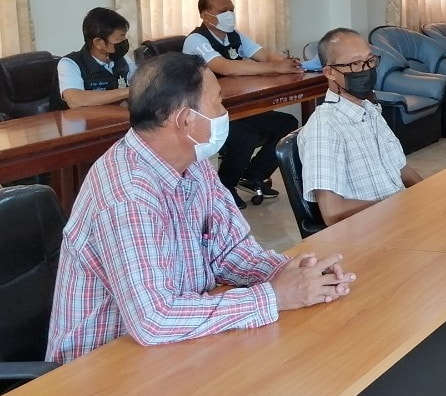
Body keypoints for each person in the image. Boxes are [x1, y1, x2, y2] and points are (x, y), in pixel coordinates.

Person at [45, 52, 355, 364]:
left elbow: (231, 251)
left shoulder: (193, 163)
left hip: (171, 349)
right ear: (185, 120)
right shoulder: (127, 194)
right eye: (218, 103)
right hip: (102, 367)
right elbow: (154, 319)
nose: (225, 112)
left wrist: (292, 273)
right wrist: (273, 296)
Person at [183, 0, 299, 208]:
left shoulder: (234, 35)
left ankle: (254, 174)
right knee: (245, 136)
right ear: (206, 16)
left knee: (288, 124)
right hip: (209, 111)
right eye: (223, 11)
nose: (229, 15)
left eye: (231, 10)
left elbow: (263, 55)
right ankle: (225, 187)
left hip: (239, 104)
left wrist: (287, 63)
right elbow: (226, 68)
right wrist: (275, 68)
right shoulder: (196, 40)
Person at [298, 28, 422, 225]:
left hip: (403, 218)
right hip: (373, 228)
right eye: (355, 64)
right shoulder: (325, 128)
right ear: (330, 72)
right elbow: (332, 213)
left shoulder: (370, 110)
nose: (366, 70)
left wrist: (429, 196)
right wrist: (398, 207)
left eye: (370, 61)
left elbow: (401, 169)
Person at [57, 7, 136, 108]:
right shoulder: (70, 63)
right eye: (119, 38)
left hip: (116, 115)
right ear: (98, 43)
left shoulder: (123, 59)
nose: (124, 41)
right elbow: (75, 100)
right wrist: (129, 91)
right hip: (82, 118)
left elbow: (140, 83)